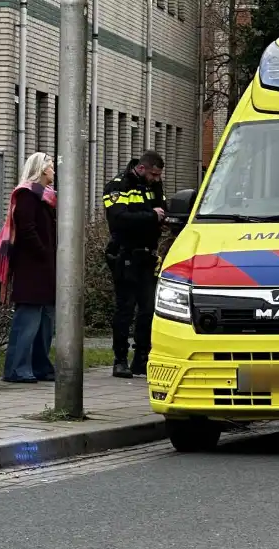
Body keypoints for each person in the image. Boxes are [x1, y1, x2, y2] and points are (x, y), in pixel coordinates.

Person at [103, 150, 166, 379]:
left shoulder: (154, 186)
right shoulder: (118, 186)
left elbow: (163, 211)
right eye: (154, 174)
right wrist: (151, 216)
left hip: (148, 255)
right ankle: (119, 360)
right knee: (125, 309)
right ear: (141, 168)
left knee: (148, 309)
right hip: (125, 255)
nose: (157, 179)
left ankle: (142, 358)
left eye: (159, 175)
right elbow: (117, 219)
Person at [0, 152, 58, 383]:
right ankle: (16, 368)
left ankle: (40, 365)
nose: (53, 171)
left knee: (45, 320)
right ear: (42, 170)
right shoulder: (27, 195)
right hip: (32, 268)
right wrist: (43, 252)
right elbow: (27, 229)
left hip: (45, 268)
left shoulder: (45, 197)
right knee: (28, 319)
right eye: (51, 167)